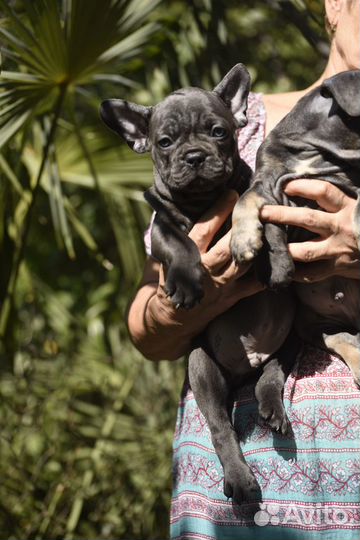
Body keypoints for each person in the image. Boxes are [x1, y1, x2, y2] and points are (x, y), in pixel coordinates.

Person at [127, 0, 360, 538]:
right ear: (336, 5)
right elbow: (148, 329)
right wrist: (198, 295)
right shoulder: (229, 118)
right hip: (234, 481)